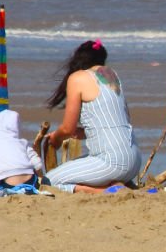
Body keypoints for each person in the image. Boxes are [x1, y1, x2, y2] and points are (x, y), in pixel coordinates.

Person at [44, 40, 142, 193]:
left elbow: (67, 129)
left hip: (112, 162)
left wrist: (55, 139)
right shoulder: (112, 75)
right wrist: (83, 132)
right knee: (77, 167)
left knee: (48, 181)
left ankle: (104, 191)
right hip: (134, 161)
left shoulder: (78, 78)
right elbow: (120, 120)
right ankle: (118, 185)